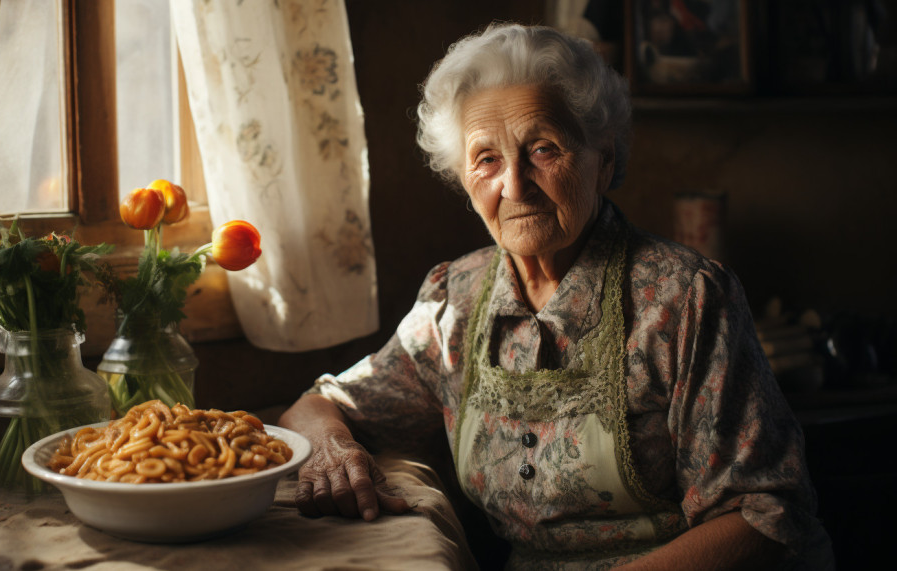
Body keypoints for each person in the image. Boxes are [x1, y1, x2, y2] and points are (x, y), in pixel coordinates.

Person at [279, 23, 832, 570]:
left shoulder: (684, 298)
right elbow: (319, 404)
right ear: (464, 180)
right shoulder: (455, 300)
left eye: (543, 149)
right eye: (487, 159)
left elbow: (762, 514)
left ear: (604, 160)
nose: (514, 187)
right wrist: (331, 447)